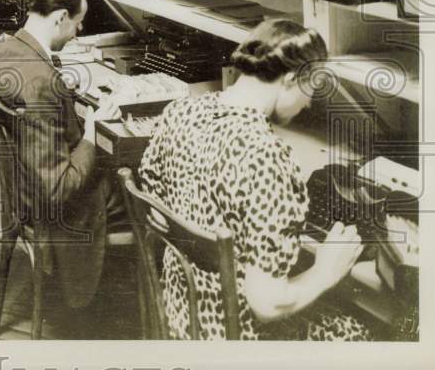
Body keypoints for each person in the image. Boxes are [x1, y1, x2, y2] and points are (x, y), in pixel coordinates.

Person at [138, 18, 370, 340]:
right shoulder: (265, 156)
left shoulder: (179, 113)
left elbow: (151, 191)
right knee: (360, 332)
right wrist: (325, 271)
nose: (310, 103)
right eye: (311, 90)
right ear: (290, 79)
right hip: (238, 335)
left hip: (183, 318)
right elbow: (267, 305)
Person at [0, 0, 121, 322]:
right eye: (77, 23)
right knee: (141, 188)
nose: (77, 32)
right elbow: (60, 188)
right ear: (60, 17)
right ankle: (115, 312)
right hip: (54, 207)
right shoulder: (43, 83)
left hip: (21, 193)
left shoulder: (1, 50)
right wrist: (91, 130)